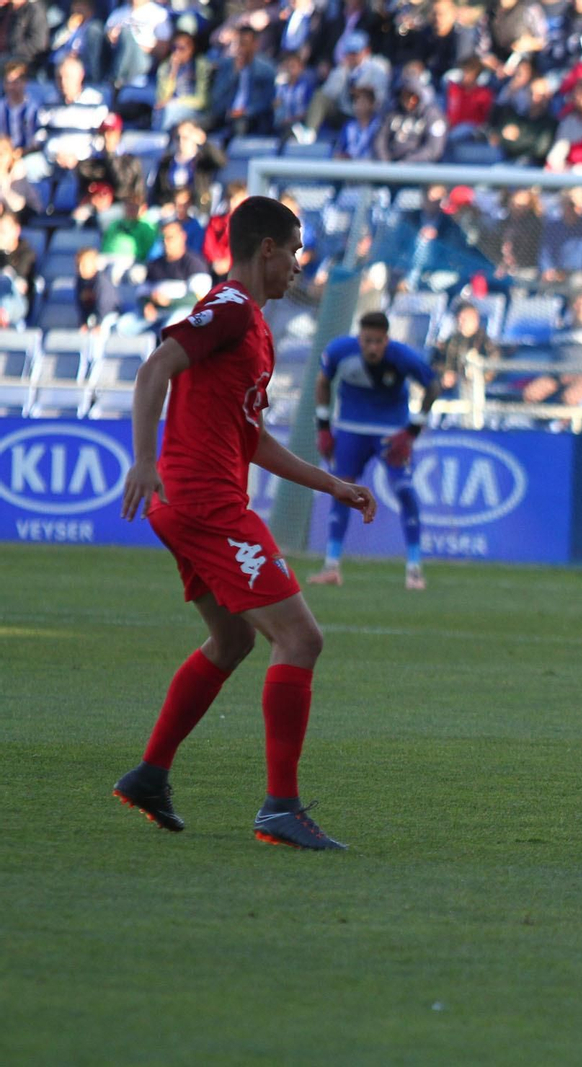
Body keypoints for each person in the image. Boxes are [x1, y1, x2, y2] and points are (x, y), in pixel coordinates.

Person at [112, 196, 376, 851]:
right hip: (205, 503)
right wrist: (143, 458)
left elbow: (250, 438)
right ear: (267, 249)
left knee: (232, 641)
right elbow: (155, 367)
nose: (298, 266)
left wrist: (331, 484)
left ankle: (149, 775)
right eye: (295, 252)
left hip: (193, 503)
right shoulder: (229, 308)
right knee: (301, 638)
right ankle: (280, 807)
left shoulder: (252, 326)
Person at [308, 311, 440, 591]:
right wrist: (323, 427)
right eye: (367, 341)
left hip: (391, 432)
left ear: (386, 340)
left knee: (404, 490)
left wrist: (412, 431)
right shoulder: (339, 351)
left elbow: (433, 386)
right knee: (342, 490)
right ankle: (331, 566)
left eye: (378, 342)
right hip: (351, 428)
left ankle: (414, 569)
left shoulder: (403, 356)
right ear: (359, 338)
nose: (372, 347)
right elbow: (322, 382)